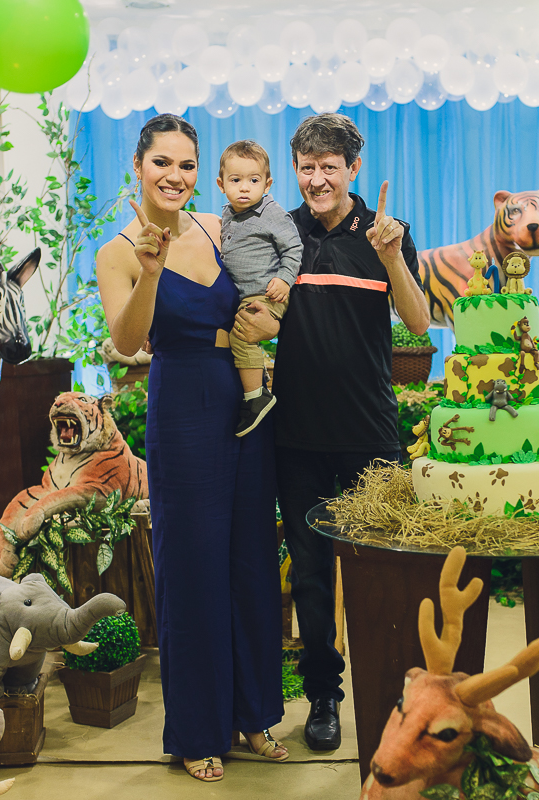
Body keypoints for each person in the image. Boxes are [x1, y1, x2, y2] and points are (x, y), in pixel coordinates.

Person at [95, 114, 287, 783]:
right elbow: (126, 342)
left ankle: (255, 713)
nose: (175, 176)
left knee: (251, 556)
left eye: (186, 164)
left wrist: (273, 315)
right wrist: (150, 272)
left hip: (243, 393)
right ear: (139, 167)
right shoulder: (118, 251)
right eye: (162, 164)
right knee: (193, 565)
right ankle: (197, 729)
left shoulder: (221, 224)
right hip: (181, 402)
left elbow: (269, 292)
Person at [235, 113, 429, 751]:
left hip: (371, 435)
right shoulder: (279, 233)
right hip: (295, 440)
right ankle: (323, 695)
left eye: (330, 166)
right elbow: (254, 314)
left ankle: (395, 689)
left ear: (353, 170)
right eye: (307, 166)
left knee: (384, 571)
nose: (318, 178)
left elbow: (419, 322)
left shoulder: (383, 234)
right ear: (294, 170)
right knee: (312, 577)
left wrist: (392, 257)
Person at [214, 139, 303, 437]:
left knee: (241, 335)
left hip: (267, 293)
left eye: (253, 180)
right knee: (234, 333)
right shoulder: (228, 215)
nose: (244, 187)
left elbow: (293, 247)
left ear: (267, 184)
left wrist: (284, 279)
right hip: (244, 293)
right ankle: (256, 380)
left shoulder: (271, 212)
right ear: (220, 183)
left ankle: (257, 397)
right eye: (235, 180)